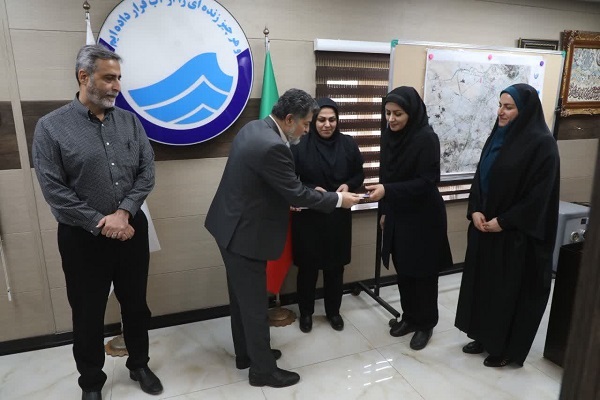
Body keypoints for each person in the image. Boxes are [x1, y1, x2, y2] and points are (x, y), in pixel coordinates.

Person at [205, 89, 362, 388]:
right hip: (244, 236)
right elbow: (296, 193)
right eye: (306, 124)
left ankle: (247, 355)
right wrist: (338, 200)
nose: (308, 130)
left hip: (229, 225)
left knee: (241, 300)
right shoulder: (274, 146)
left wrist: (295, 196)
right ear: (289, 119)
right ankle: (262, 371)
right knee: (254, 305)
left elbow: (261, 184)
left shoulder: (254, 127)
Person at [32, 45, 162, 400]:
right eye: (108, 78)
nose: (116, 86)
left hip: (131, 230)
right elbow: (54, 190)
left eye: (118, 78)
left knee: (136, 305)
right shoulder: (51, 127)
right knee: (87, 313)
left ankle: (139, 364)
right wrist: (101, 222)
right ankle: (91, 382)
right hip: (82, 239)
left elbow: (147, 172)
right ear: (83, 77)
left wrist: (124, 212)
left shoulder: (130, 122)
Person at [455, 83, 560, 368]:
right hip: (486, 229)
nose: (501, 112)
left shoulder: (542, 145)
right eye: (500, 105)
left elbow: (539, 196)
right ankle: (482, 336)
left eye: (509, 107)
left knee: (507, 293)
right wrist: (476, 209)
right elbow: (481, 177)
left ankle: (505, 349)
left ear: (525, 111)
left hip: (516, 236)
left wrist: (505, 221)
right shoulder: (498, 136)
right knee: (484, 287)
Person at [366, 86, 452, 351]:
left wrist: (387, 192)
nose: (391, 119)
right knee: (404, 270)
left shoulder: (426, 138)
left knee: (423, 274)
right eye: (388, 113)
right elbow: (385, 176)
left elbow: (427, 182)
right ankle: (410, 317)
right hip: (398, 212)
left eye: (398, 114)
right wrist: (384, 211)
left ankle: (426, 324)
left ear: (411, 113)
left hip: (424, 217)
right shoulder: (388, 136)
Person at [291, 98, 364, 333]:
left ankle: (333, 312)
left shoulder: (348, 144)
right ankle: (306, 313)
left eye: (332, 120)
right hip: (308, 217)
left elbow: (359, 175)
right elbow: (290, 180)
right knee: (308, 269)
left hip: (338, 216)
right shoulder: (299, 145)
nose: (327, 124)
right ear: (313, 121)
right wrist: (312, 189)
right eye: (321, 119)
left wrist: (348, 185)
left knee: (335, 268)